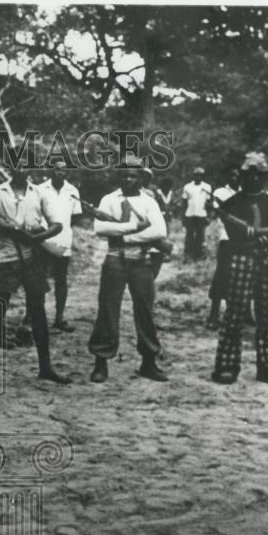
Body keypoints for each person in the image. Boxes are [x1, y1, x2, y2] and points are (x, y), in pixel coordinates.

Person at [0, 163, 71, 386]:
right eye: (17, 164)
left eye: (26, 165)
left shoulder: (40, 193)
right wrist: (10, 229)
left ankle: (46, 367)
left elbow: (57, 225)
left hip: (32, 258)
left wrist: (34, 238)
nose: (21, 169)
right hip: (5, 258)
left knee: (38, 313)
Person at [87, 158, 169, 383]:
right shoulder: (109, 199)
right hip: (115, 259)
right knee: (107, 310)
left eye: (133, 175)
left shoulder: (149, 201)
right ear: (118, 176)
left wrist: (123, 233)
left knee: (145, 311)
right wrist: (133, 227)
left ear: (141, 177)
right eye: (124, 175)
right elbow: (100, 228)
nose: (128, 179)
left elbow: (159, 231)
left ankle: (149, 362)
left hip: (141, 261)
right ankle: (101, 362)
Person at [211, 153, 268, 385]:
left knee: (266, 315)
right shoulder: (232, 203)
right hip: (240, 259)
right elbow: (236, 234)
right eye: (248, 175)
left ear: (264, 178)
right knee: (234, 314)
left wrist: (264, 237)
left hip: (265, 261)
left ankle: (267, 367)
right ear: (242, 177)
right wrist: (259, 236)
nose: (253, 180)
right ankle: (226, 366)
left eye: (258, 176)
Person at [37, 157, 83, 332]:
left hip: (63, 241)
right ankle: (33, 316)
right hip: (41, 240)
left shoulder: (73, 191)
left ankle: (59, 318)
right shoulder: (40, 189)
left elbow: (75, 217)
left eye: (64, 170)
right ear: (51, 170)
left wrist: (63, 233)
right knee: (38, 280)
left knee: (61, 280)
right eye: (57, 169)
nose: (61, 173)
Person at [206, 169, 241, 329]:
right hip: (227, 238)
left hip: (244, 240)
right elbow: (221, 213)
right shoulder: (220, 192)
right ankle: (214, 315)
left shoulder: (245, 192)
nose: (235, 178)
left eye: (238, 176)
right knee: (222, 276)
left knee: (242, 276)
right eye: (232, 175)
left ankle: (242, 315)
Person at [181, 166, 212, 261]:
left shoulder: (207, 187)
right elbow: (184, 202)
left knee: (200, 236)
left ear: (203, 177)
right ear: (193, 176)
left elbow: (209, 203)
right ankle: (188, 256)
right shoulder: (187, 187)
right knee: (189, 236)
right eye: (196, 175)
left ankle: (200, 256)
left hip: (202, 214)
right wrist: (183, 216)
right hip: (190, 214)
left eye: (200, 175)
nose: (198, 177)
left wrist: (209, 216)